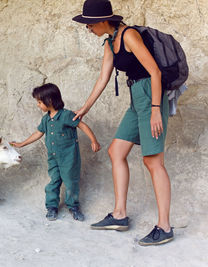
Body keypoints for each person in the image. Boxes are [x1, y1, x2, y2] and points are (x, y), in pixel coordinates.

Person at [72, 0, 173, 246]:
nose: (88, 29)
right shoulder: (109, 43)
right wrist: (85, 108)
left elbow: (155, 72)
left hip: (151, 96)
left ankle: (165, 226)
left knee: (153, 161)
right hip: (136, 98)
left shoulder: (129, 36)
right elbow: (103, 79)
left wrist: (157, 110)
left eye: (89, 24)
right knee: (116, 151)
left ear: (103, 21)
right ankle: (119, 215)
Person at [10, 83, 100, 221]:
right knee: (54, 181)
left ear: (50, 100)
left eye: (40, 102)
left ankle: (73, 206)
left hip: (69, 158)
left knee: (71, 182)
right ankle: (52, 207)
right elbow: (38, 133)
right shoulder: (45, 119)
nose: (38, 105)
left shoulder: (66, 115)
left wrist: (93, 140)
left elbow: (82, 125)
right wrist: (22, 143)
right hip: (53, 158)